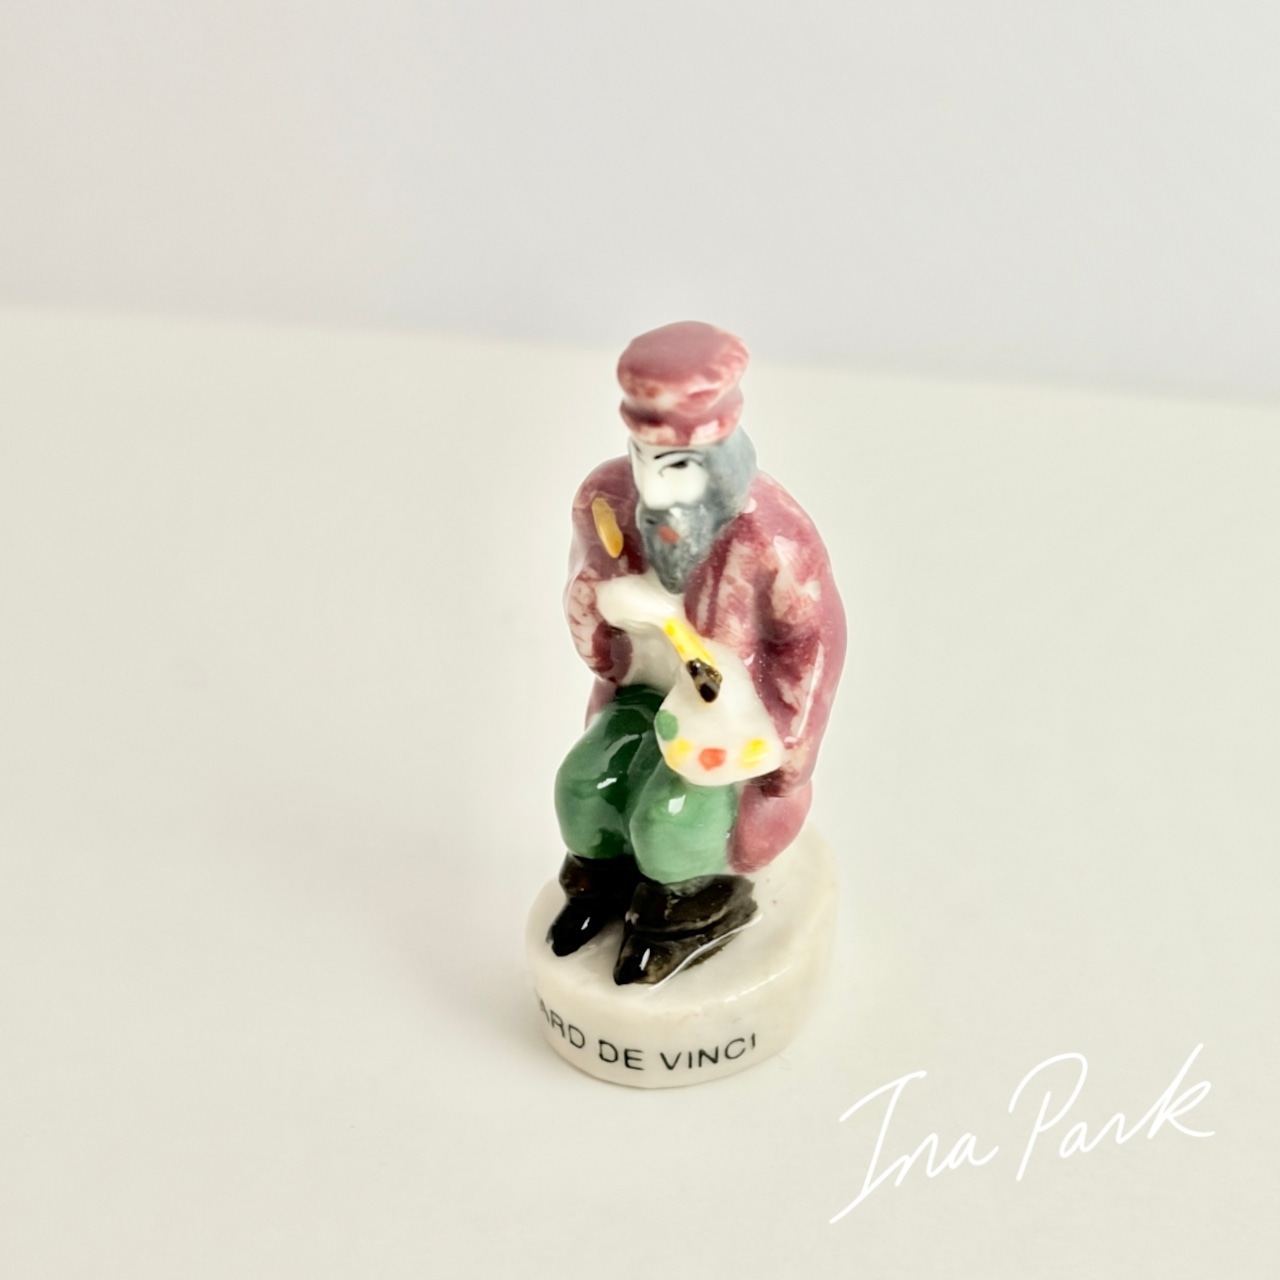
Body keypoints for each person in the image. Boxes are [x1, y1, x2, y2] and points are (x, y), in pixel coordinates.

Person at [550, 321, 846, 985]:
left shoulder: (772, 540)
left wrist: (784, 754)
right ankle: (599, 887)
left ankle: (681, 910)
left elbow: (811, 643)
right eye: (644, 458)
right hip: (642, 693)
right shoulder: (607, 501)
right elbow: (586, 584)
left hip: (723, 719)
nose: (655, 489)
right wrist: (603, 600)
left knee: (670, 818)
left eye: (678, 467)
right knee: (585, 786)